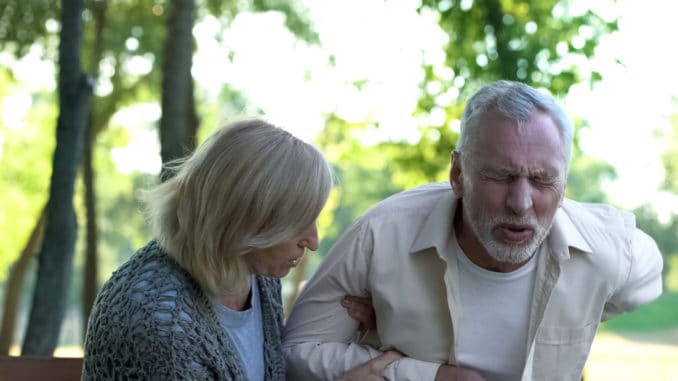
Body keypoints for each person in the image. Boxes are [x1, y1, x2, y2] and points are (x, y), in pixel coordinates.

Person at [283, 80, 664, 381]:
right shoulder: (381, 237)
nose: (521, 202)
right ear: (457, 174)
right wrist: (421, 374)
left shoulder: (607, 251)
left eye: (543, 180)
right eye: (501, 175)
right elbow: (295, 353)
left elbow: (647, 275)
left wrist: (584, 300)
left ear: (564, 187)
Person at [82, 119, 399, 380]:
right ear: (247, 220)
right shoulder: (157, 323)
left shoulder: (256, 274)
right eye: (298, 222)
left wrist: (374, 328)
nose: (313, 241)